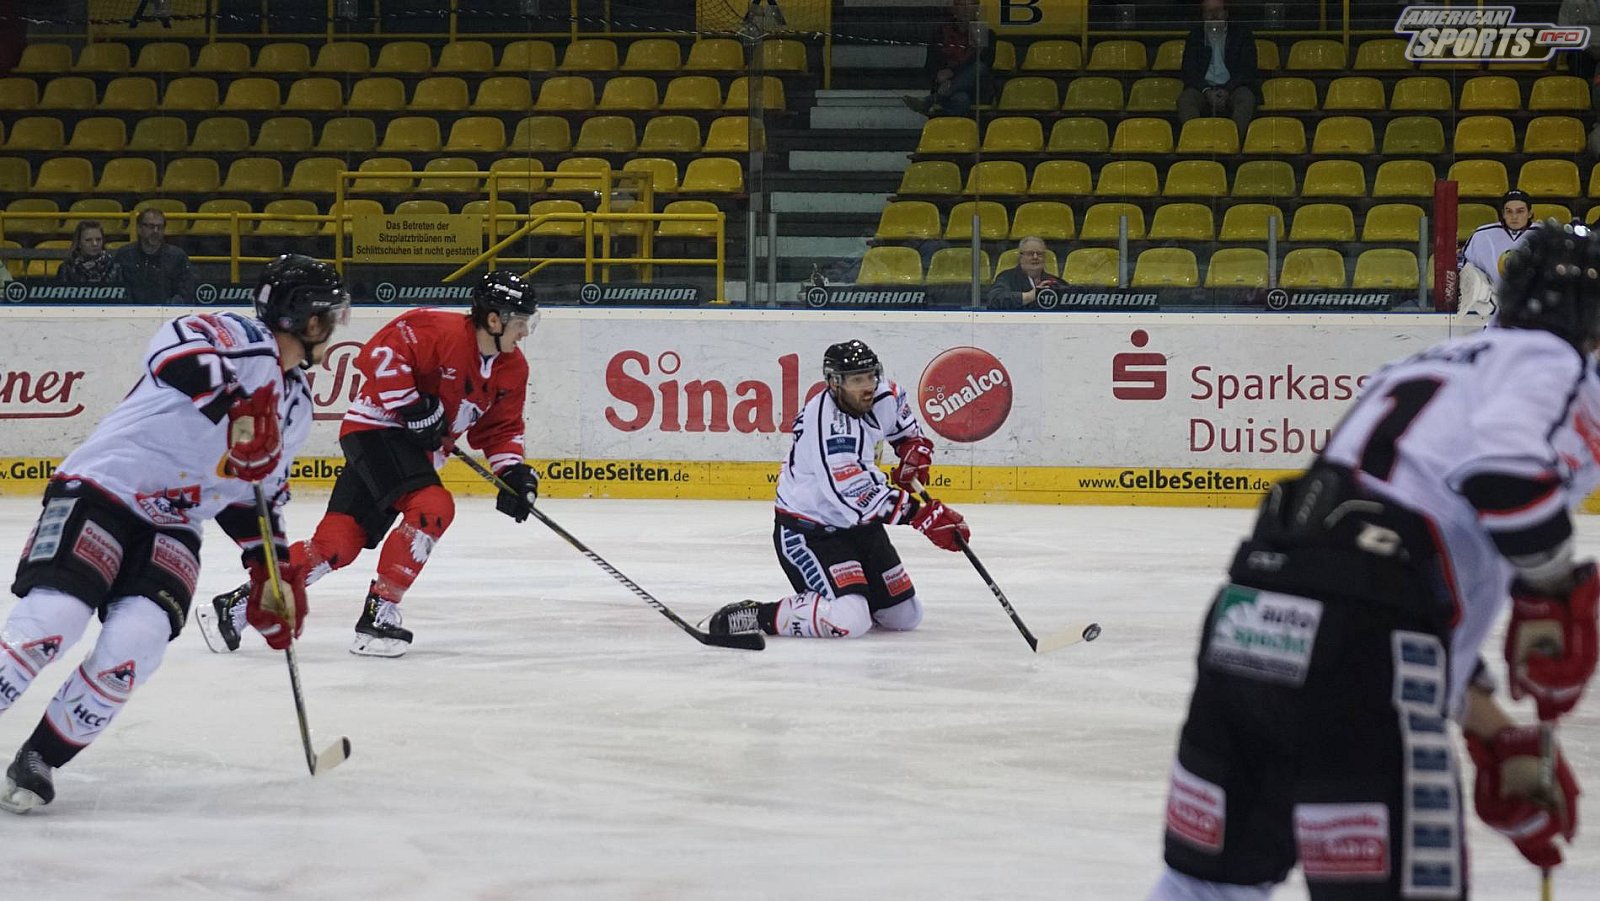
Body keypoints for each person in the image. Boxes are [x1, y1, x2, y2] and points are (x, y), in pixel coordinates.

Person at [1148, 221, 1599, 899]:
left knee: (1205, 888)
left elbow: (1368, 555)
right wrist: (1556, 592)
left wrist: (1492, 731)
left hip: (1251, 616)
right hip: (1367, 644)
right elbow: (1504, 479)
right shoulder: (1556, 365)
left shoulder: (1421, 365)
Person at [0, 254, 350, 813]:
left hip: (176, 521)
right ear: (308, 319)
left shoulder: (297, 405)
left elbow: (252, 496)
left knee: (137, 642)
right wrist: (235, 407)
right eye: (331, 315)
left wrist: (272, 570)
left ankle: (40, 756)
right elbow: (170, 353)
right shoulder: (237, 336)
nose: (335, 328)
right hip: (104, 490)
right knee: (54, 619)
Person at [198, 270, 541, 658]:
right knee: (433, 507)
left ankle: (234, 606)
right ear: (494, 320)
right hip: (376, 430)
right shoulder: (436, 328)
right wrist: (412, 406)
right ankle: (379, 615)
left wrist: (512, 472)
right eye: (520, 322)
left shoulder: (513, 369)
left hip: (412, 452)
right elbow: (379, 354)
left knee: (335, 545)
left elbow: (501, 429)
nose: (524, 332)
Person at [704, 340, 971, 639]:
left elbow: (906, 430)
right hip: (811, 532)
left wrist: (913, 452)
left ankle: (847, 598)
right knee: (851, 620)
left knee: (905, 616)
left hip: (860, 529)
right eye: (857, 380)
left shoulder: (885, 394)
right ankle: (762, 615)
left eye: (870, 376)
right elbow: (858, 496)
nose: (867, 386)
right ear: (834, 383)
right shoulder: (828, 427)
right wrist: (923, 516)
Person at [1178, 0, 1259, 143]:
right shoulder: (1195, 36)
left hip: (1234, 87)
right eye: (1209, 11)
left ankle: (1232, 143)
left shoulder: (1242, 35)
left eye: (1217, 10)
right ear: (1203, 15)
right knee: (1186, 100)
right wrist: (1206, 91)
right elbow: (1189, 70)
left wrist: (1227, 90)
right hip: (1203, 88)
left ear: (1226, 13)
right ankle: (1195, 143)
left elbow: (1247, 70)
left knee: (1246, 98)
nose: (1214, 15)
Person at [902, 0, 995, 118]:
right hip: (945, 86)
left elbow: (985, 61)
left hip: (976, 87)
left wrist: (953, 73)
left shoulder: (986, 33)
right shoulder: (941, 33)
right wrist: (939, 77)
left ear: (977, 9)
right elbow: (931, 64)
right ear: (954, 9)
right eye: (961, 6)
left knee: (979, 67)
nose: (966, 10)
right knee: (961, 99)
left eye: (970, 6)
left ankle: (930, 100)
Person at [1458, 190, 1533, 316]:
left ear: (1529, 213)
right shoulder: (1482, 235)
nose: (1514, 217)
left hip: (1533, 310)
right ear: (1503, 213)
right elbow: (1463, 264)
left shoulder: (1544, 236)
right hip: (1490, 310)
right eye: (1509, 211)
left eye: (1520, 211)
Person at [112, 208, 196, 303]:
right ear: (139, 228)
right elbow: (115, 289)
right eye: (151, 226)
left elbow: (186, 292)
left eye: (160, 227)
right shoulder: (124, 255)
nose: (156, 231)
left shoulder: (177, 256)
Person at [987, 236, 1061, 309]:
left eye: (1039, 254)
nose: (1035, 257)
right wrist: (1030, 296)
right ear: (1020, 257)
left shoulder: (1054, 281)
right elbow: (994, 300)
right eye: (1030, 253)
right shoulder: (1006, 277)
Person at [56, 220, 124, 286]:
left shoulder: (114, 267)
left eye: (98, 239)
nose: (95, 244)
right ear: (79, 243)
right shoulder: (66, 268)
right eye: (88, 240)